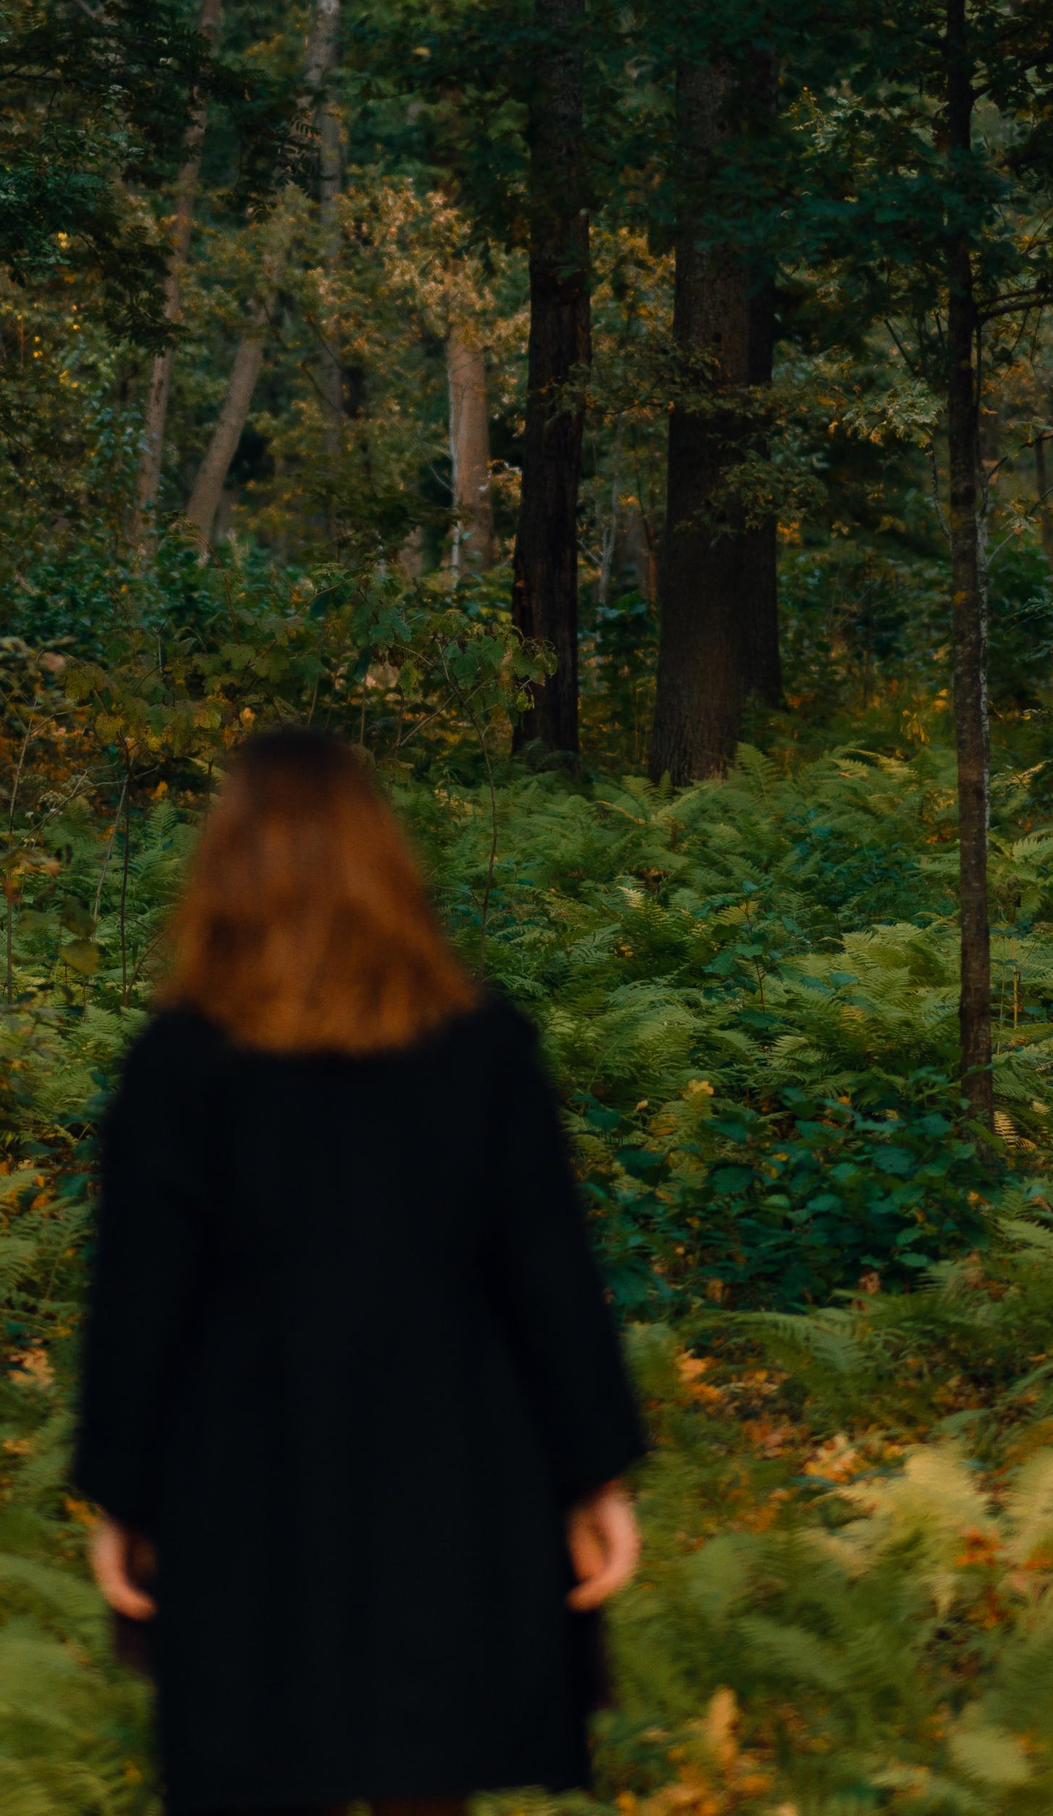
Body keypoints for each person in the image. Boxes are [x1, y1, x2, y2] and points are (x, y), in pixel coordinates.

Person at [73, 725, 646, 1816]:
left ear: (223, 869)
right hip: (447, 1467)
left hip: (244, 1478)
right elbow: (548, 1274)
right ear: (385, 864)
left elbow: (141, 1299)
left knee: (258, 1765)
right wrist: (593, 1474)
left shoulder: (181, 1065)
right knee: (425, 1764)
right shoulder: (479, 1046)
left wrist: (125, 1492)